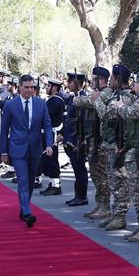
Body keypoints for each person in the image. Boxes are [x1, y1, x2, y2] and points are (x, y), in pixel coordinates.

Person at [0, 74, 54, 228]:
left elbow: (47, 125)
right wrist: (3, 152)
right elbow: (4, 130)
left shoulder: (40, 104)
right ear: (20, 88)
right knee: (23, 180)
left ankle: (24, 207)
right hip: (17, 149)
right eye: (27, 87)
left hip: (35, 149)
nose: (30, 90)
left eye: (32, 87)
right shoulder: (10, 105)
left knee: (30, 181)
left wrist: (49, 144)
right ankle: (27, 213)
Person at [112, 69, 139, 242]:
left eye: (136, 82)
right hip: (135, 148)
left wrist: (120, 107)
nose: (133, 85)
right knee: (136, 189)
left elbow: (131, 113)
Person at [92, 65, 134, 231]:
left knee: (119, 180)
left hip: (118, 144)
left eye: (112, 79)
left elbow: (107, 114)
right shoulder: (117, 95)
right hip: (110, 143)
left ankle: (120, 215)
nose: (110, 82)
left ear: (118, 79)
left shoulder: (125, 97)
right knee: (112, 179)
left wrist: (96, 101)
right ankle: (115, 213)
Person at [74, 66, 112, 218]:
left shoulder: (106, 93)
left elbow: (86, 101)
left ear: (101, 80)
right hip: (91, 138)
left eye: (94, 79)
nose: (92, 82)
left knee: (101, 174)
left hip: (100, 139)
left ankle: (105, 206)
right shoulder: (96, 93)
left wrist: (79, 99)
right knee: (95, 174)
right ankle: (99, 204)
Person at [62, 73, 89, 206]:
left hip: (77, 140)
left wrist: (79, 139)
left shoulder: (83, 98)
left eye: (71, 81)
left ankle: (82, 196)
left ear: (78, 83)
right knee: (76, 169)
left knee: (80, 169)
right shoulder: (74, 97)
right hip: (70, 138)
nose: (68, 83)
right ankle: (77, 195)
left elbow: (83, 122)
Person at [40, 77, 65, 196]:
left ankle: (56, 185)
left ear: (55, 87)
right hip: (48, 133)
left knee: (52, 159)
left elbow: (45, 116)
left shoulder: (56, 101)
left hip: (53, 133)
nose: (46, 88)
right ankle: (51, 183)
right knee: (47, 159)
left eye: (49, 86)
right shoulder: (51, 100)